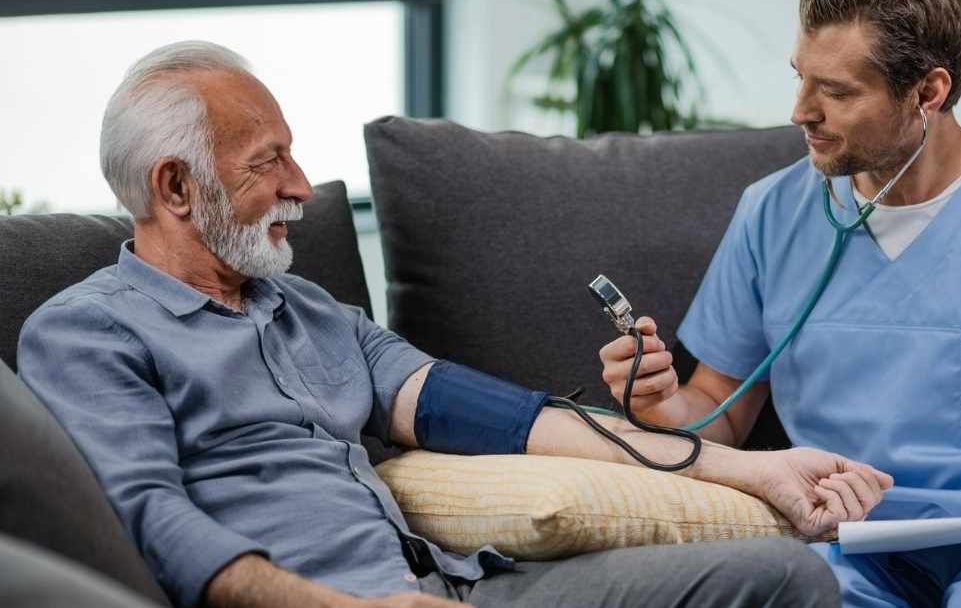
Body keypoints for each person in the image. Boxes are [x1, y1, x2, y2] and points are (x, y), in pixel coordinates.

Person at [16, 41, 895, 608]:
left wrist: (756, 469)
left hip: (455, 582)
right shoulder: (90, 334)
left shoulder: (311, 309)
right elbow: (146, 518)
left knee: (780, 577)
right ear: (175, 188)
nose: (300, 187)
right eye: (269, 162)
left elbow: (506, 418)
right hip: (323, 603)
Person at [597, 0, 961, 606]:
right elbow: (719, 407)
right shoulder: (771, 211)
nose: (800, 110)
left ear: (928, 92)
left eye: (837, 91)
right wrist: (662, 409)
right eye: (801, 77)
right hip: (844, 543)